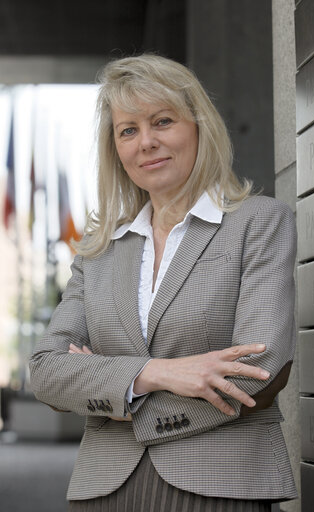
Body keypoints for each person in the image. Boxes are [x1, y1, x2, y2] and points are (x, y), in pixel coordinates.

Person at [29, 54, 297, 511]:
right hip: (105, 489)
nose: (147, 142)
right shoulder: (100, 247)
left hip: (219, 484)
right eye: (128, 130)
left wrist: (107, 383)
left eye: (163, 121)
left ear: (199, 127)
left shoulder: (259, 223)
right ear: (115, 147)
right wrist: (155, 373)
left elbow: (259, 370)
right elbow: (47, 371)